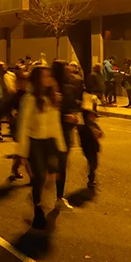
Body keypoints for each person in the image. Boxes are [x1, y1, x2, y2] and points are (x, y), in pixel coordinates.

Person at [16, 66, 67, 230]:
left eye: (49, 75)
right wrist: (22, 152)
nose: (48, 78)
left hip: (51, 142)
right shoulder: (30, 99)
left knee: (53, 175)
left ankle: (42, 198)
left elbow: (56, 124)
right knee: (39, 177)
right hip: (35, 141)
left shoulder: (53, 97)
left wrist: (61, 146)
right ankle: (38, 210)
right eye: (44, 76)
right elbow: (23, 125)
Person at [52, 60, 78, 210]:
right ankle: (43, 195)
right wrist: (64, 117)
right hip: (53, 132)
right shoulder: (51, 88)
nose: (68, 70)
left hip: (66, 131)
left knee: (62, 164)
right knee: (54, 165)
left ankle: (59, 196)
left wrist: (74, 115)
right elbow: (49, 112)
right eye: (65, 68)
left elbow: (72, 104)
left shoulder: (69, 86)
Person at [78, 109, 103, 189]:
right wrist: (92, 134)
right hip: (87, 147)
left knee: (94, 163)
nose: (94, 118)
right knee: (92, 163)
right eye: (91, 116)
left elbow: (101, 133)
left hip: (94, 147)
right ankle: (91, 180)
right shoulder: (83, 126)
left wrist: (98, 133)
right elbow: (84, 138)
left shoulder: (94, 124)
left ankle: (91, 176)